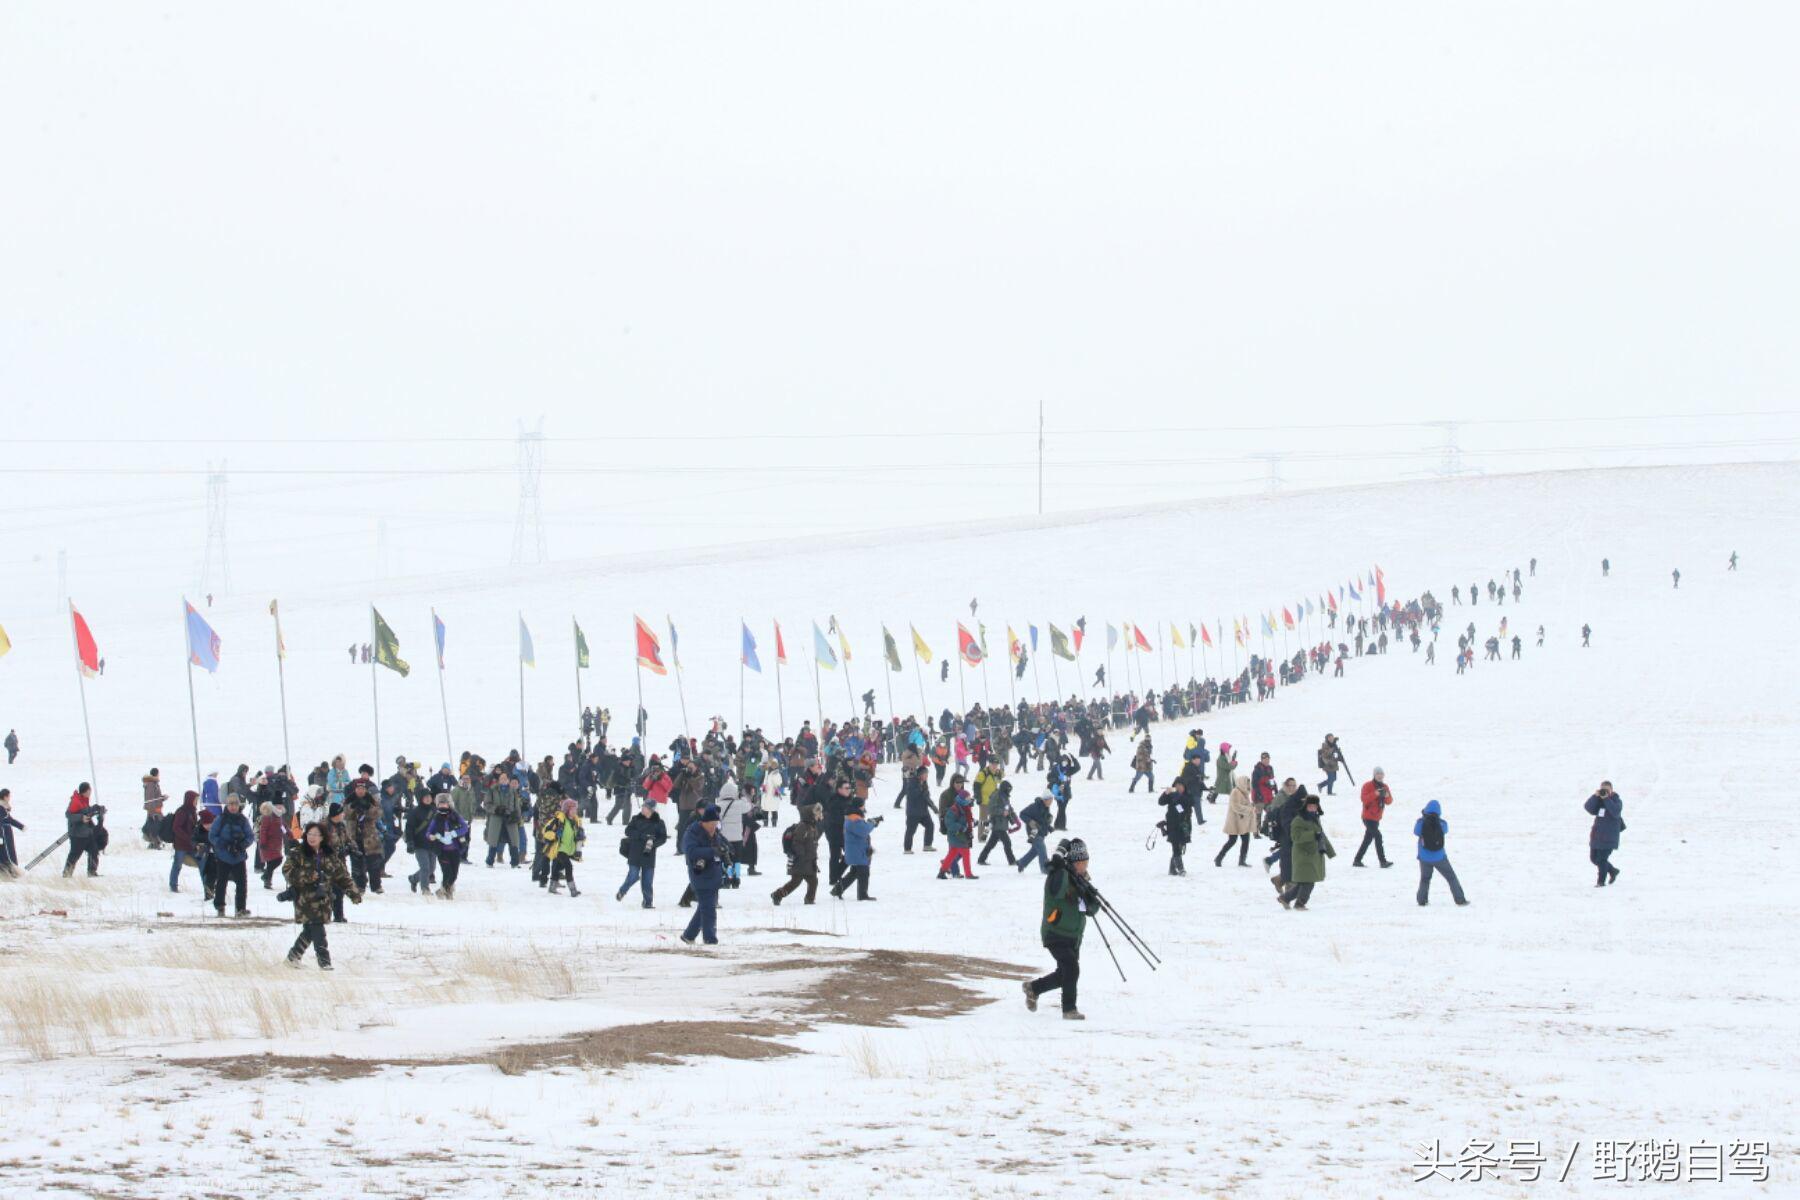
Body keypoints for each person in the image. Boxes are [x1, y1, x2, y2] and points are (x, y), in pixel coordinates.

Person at [1023, 839, 1092, 1020]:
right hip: (1055, 932)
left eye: (1085, 863)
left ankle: (1033, 988)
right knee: (1071, 969)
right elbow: (1057, 892)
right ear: (1071, 863)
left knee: (1064, 974)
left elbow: (1093, 909)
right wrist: (1061, 868)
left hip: (1073, 935)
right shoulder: (1059, 875)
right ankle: (1069, 1009)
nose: (1083, 867)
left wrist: (1087, 892)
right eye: (1079, 863)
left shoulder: (1082, 879)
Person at [283, 822, 361, 969]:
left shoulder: (330, 855)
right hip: (304, 899)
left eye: (315, 835)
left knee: (310, 930)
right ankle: (324, 962)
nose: (312, 838)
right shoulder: (298, 853)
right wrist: (307, 876)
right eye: (309, 834)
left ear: (323, 837)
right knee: (317, 928)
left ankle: (293, 957)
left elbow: (341, 875)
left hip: (323, 899)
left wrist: (353, 892)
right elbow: (288, 872)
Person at [680, 804, 727, 945]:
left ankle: (688, 935)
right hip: (699, 875)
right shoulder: (692, 833)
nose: (714, 827)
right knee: (709, 910)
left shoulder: (715, 833)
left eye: (716, 824)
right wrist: (712, 851)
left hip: (714, 875)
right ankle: (710, 939)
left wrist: (725, 851)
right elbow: (691, 852)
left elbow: (724, 846)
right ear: (705, 822)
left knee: (705, 908)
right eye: (712, 824)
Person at [1277, 795, 1334, 910]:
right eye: (1310, 806)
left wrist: (1330, 851)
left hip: (1313, 855)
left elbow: (1321, 836)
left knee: (1303, 882)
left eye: (1315, 806)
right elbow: (1296, 837)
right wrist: (1312, 835)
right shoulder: (1298, 820)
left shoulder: (1315, 819)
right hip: (1303, 855)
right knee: (1308, 882)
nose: (1313, 809)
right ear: (1305, 807)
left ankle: (1285, 898)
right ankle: (1300, 903)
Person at [1413, 800, 1468, 906]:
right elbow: (1445, 830)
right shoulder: (1442, 824)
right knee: (1451, 877)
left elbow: (1416, 832)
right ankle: (1460, 899)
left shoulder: (1421, 822)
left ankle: (1421, 900)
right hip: (1439, 857)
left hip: (1424, 857)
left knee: (1425, 878)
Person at [208, 793, 254, 916]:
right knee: (221, 882)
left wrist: (241, 845)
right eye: (230, 804)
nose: (233, 807)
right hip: (224, 856)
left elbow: (250, 836)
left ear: (239, 805)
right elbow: (212, 836)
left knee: (242, 883)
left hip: (239, 857)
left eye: (235, 804)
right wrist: (224, 845)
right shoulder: (220, 819)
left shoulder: (243, 820)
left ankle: (240, 908)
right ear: (227, 805)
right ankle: (220, 906)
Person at [618, 799, 668, 907]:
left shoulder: (659, 822)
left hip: (648, 855)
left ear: (651, 810)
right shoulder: (636, 819)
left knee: (647, 880)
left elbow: (663, 838)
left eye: (645, 807)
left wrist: (652, 843)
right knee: (633, 875)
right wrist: (641, 836)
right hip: (634, 852)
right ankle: (622, 891)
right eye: (642, 807)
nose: (642, 809)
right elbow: (628, 831)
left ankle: (648, 902)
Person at [771, 803, 820, 905]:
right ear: (810, 815)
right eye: (817, 813)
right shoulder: (803, 827)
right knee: (795, 882)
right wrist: (801, 854)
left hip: (809, 861)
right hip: (800, 861)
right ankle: (777, 895)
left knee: (813, 881)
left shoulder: (812, 827)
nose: (819, 815)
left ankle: (809, 899)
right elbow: (797, 842)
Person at [423, 792, 469, 898]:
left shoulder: (455, 816)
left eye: (445, 803)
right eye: (440, 804)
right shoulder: (436, 818)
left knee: (454, 874)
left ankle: (446, 890)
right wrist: (433, 836)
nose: (443, 806)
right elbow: (428, 832)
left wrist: (455, 833)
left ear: (449, 804)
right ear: (437, 805)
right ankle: (444, 890)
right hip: (442, 850)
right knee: (447, 872)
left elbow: (464, 827)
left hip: (455, 850)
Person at [831, 807, 878, 900]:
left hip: (856, 851)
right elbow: (863, 831)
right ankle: (862, 895)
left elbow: (862, 828)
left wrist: (871, 823)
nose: (864, 808)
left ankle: (837, 890)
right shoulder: (854, 820)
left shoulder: (852, 819)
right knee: (864, 873)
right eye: (862, 806)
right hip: (858, 852)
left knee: (854, 873)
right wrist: (872, 823)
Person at [542, 798, 585, 897]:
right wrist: (554, 835)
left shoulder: (576, 821)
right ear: (566, 809)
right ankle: (573, 889)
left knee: (558, 866)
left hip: (568, 850)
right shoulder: (559, 820)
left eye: (575, 808)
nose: (575, 811)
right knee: (568, 866)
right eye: (572, 809)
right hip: (559, 848)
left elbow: (580, 837)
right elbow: (547, 831)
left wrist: (579, 848)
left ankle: (552, 886)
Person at [1353, 767, 1394, 868]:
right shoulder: (1368, 785)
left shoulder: (1385, 787)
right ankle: (1383, 861)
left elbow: (1389, 802)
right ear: (1374, 775)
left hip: (1377, 817)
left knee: (1367, 839)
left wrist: (1387, 796)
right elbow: (1364, 799)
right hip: (1367, 817)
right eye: (1377, 774)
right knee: (1378, 836)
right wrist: (1375, 794)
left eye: (1381, 774)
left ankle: (1357, 860)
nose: (1379, 776)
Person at [1585, 782, 1624, 887]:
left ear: (1611, 789)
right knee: (1594, 859)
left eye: (1607, 789)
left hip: (1609, 837)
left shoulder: (1616, 800)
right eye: (1603, 789)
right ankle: (1612, 870)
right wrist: (1595, 796)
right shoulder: (1599, 800)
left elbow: (1615, 812)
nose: (1605, 791)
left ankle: (1601, 882)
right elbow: (1588, 808)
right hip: (1597, 836)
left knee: (1602, 860)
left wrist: (1607, 799)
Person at [62, 784, 104, 878]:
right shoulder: (75, 801)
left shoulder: (84, 800)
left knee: (94, 851)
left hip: (87, 833)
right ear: (85, 791)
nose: (90, 792)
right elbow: (69, 815)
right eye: (89, 790)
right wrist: (81, 818)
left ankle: (92, 872)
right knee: (74, 855)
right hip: (77, 835)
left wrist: (96, 809)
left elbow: (87, 812)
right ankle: (66, 874)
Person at [1215, 772, 1256, 866]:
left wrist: (1250, 807)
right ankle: (1219, 857)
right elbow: (1236, 806)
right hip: (1234, 822)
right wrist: (1249, 809)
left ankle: (1242, 860)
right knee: (1232, 841)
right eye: (1247, 783)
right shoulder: (1235, 792)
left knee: (1246, 841)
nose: (1249, 785)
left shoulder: (1244, 793)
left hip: (1242, 822)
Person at [936, 784, 977, 880]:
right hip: (957, 835)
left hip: (959, 835)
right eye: (967, 798)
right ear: (962, 799)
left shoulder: (965, 808)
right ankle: (968, 874)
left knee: (952, 854)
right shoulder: (954, 809)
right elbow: (949, 823)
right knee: (965, 853)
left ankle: (942, 872)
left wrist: (973, 824)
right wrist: (962, 828)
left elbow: (967, 820)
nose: (969, 800)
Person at [404, 790, 438, 894]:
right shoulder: (415, 812)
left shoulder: (435, 810)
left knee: (431, 868)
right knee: (425, 867)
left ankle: (413, 879)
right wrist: (410, 842)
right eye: (425, 797)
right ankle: (425, 889)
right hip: (419, 844)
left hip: (433, 844)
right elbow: (409, 828)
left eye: (429, 797)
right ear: (421, 799)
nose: (428, 799)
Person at [1158, 779, 1194, 875]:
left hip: (1184, 825)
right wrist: (1166, 793)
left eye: (1181, 786)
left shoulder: (1188, 795)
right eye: (1177, 786)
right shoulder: (1171, 795)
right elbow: (1161, 802)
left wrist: (1177, 795)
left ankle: (1172, 869)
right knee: (1175, 846)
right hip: (1172, 825)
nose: (1179, 788)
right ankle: (1180, 868)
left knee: (1180, 845)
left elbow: (1189, 802)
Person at [898, 765, 937, 853]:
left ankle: (927, 845)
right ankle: (907, 849)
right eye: (925, 774)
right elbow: (912, 795)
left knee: (930, 826)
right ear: (920, 774)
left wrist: (934, 808)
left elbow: (927, 797)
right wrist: (921, 788)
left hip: (923, 812)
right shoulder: (912, 782)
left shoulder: (924, 783)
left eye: (927, 774)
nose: (926, 776)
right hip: (913, 812)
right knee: (911, 831)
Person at [169, 790, 201, 892]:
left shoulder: (193, 811)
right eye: (195, 800)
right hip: (181, 845)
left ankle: (207, 885)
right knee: (177, 865)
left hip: (191, 844)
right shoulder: (181, 811)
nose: (196, 802)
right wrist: (187, 837)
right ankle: (173, 885)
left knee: (202, 862)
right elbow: (176, 827)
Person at [1015, 790, 1053, 874]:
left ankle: (1021, 863)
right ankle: (1045, 868)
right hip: (1034, 832)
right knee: (1042, 848)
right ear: (1045, 800)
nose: (1051, 802)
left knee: (1035, 851)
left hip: (1041, 832)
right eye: (1050, 800)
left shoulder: (1046, 808)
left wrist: (1049, 827)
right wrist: (1031, 822)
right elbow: (1022, 814)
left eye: (1052, 800)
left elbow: (1043, 820)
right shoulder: (1034, 807)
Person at [0, 788, 24, 877]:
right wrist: (0, 837)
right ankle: (11, 873)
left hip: (7, 833)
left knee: (7, 853)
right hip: (4, 833)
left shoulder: (4, 807)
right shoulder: (1, 807)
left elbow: (9, 819)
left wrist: (21, 826)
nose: (10, 797)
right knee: (7, 854)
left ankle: (9, 873)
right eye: (9, 796)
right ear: (5, 797)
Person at [142, 768, 168, 849]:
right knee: (156, 827)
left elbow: (155, 797)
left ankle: (155, 843)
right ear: (156, 774)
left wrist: (163, 798)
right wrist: (152, 812)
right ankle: (155, 843)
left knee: (155, 826)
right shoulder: (151, 784)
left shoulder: (153, 784)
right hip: (154, 811)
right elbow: (150, 799)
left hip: (155, 810)